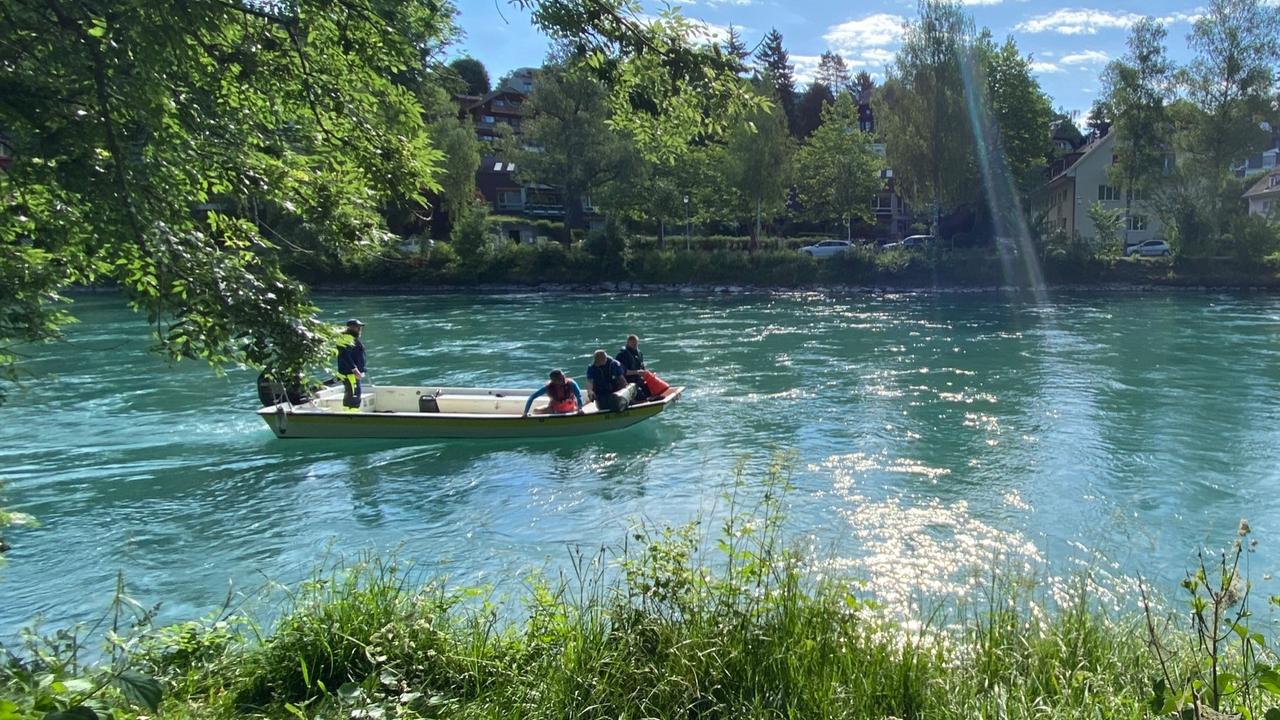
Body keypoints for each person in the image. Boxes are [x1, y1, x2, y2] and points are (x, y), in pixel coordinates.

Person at [335, 319, 366, 411]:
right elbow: (345, 356)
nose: (360, 329)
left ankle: (350, 412)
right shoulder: (345, 339)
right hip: (349, 373)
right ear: (350, 328)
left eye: (360, 327)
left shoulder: (353, 339)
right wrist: (354, 369)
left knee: (353, 393)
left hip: (353, 373)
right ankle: (351, 415)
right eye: (357, 327)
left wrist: (361, 369)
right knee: (353, 395)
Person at [586, 348, 630, 412]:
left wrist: (626, 391)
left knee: (616, 402)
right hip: (601, 394)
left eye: (599, 361)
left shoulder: (614, 364)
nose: (597, 363)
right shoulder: (592, 367)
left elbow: (622, 379)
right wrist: (590, 391)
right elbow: (590, 381)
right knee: (603, 405)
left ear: (604, 359)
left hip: (616, 392)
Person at [615, 334, 650, 400]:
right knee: (640, 395)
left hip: (638, 380)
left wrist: (646, 374)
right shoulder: (622, 355)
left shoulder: (639, 353)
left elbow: (642, 367)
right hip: (628, 382)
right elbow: (623, 372)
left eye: (636, 343)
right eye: (632, 343)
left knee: (650, 390)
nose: (635, 345)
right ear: (628, 343)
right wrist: (637, 372)